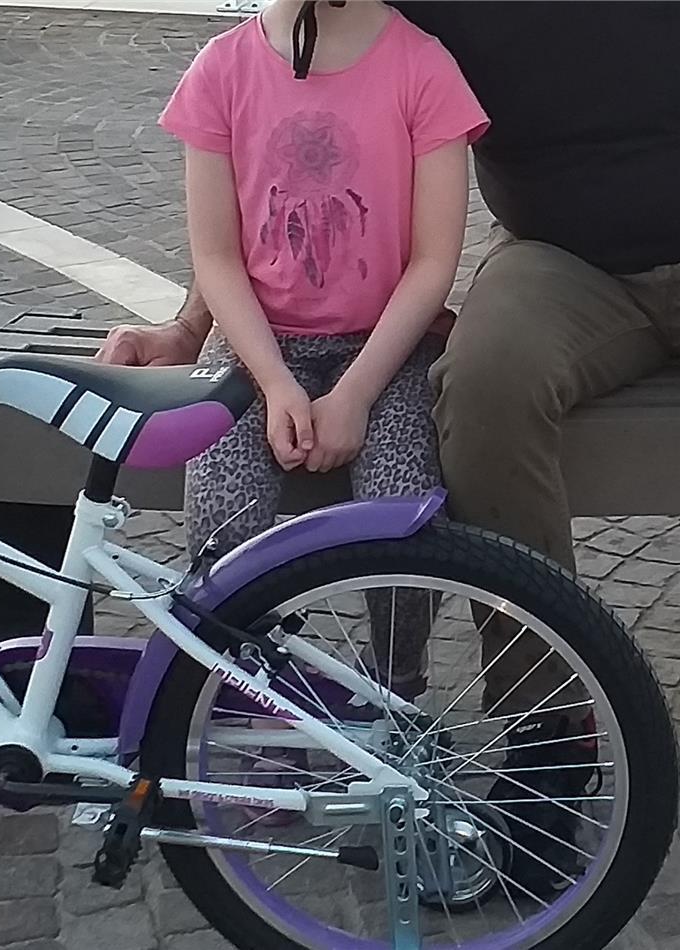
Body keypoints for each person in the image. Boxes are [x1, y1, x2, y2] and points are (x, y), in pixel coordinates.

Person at [103, 0, 680, 893]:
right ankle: (548, 729)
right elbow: (282, 130)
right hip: (567, 264)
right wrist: (190, 326)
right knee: (484, 381)